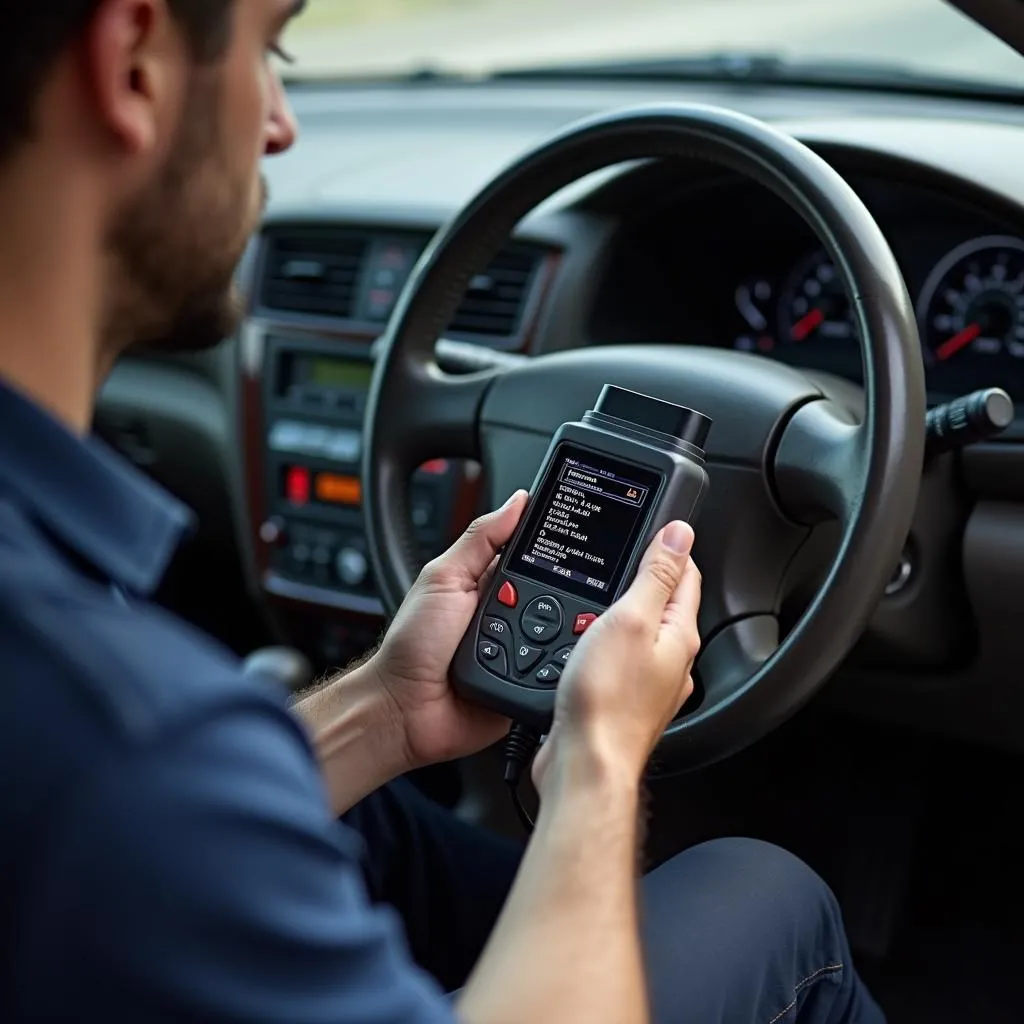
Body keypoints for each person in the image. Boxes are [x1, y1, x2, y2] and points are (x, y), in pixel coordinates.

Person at [0, 2, 886, 1021]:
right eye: (267, 51)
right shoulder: (128, 735)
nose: (281, 123)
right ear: (134, 63)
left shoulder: (106, 713)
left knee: (373, 827)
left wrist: (383, 707)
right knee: (771, 896)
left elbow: (148, 835)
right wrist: (598, 760)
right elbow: (147, 793)